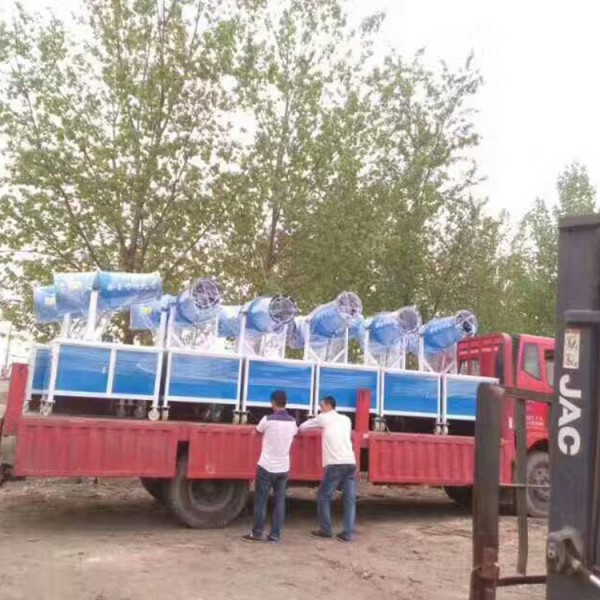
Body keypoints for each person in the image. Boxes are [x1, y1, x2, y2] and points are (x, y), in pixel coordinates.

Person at [242, 390, 298, 543]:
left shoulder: (266, 420)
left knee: (261, 501)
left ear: (273, 402)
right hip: (283, 468)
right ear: (286, 402)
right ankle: (275, 535)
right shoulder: (292, 422)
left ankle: (257, 533)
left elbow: (256, 432)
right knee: (280, 502)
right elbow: (295, 433)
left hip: (266, 466)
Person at [299, 395, 356, 542]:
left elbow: (303, 427)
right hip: (350, 462)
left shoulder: (323, 417)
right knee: (349, 500)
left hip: (335, 463)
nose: (320, 408)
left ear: (329, 406)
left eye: (321, 406)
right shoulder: (346, 419)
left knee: (323, 496)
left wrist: (297, 428)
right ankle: (348, 533)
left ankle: (325, 530)